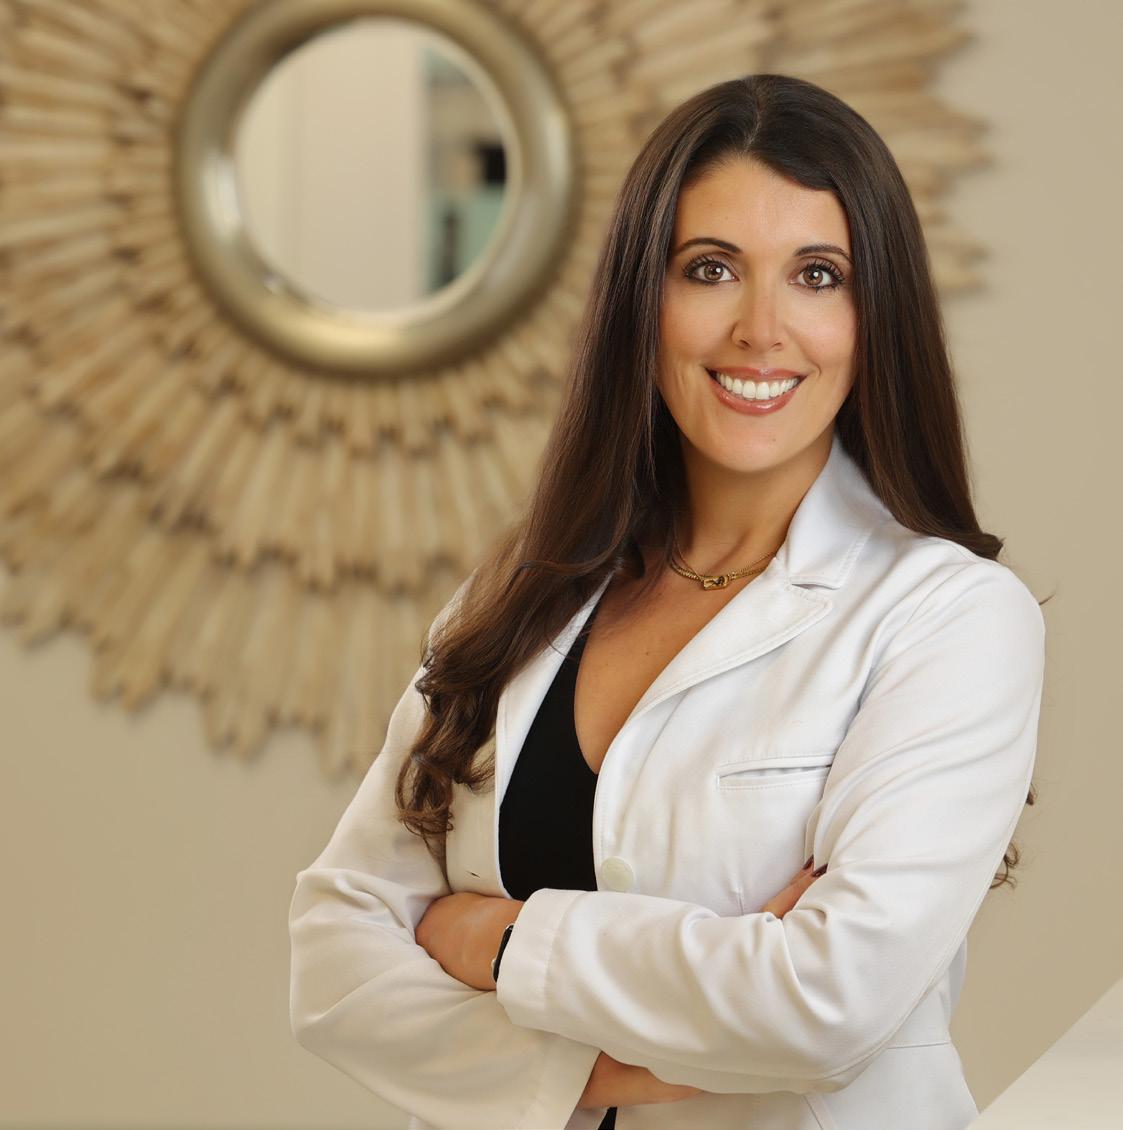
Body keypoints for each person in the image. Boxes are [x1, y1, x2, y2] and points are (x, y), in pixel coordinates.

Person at [289, 73, 1046, 1130]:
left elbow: (828, 1001)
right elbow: (334, 960)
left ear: (875, 315)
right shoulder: (514, 604)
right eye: (710, 269)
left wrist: (497, 938)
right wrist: (596, 1072)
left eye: (817, 275)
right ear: (640, 301)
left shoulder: (949, 617)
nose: (760, 329)